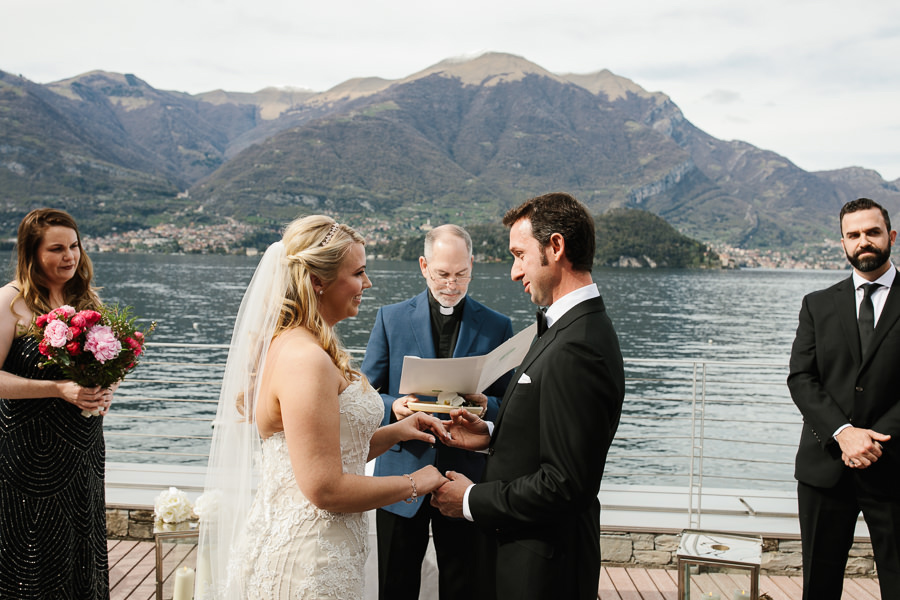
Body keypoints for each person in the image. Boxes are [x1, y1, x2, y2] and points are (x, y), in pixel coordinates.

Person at [196, 215, 450, 600]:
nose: (368, 283)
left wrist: (398, 430)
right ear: (317, 280)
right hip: (308, 561)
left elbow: (327, 452)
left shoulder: (293, 345)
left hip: (319, 550)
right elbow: (325, 488)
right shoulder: (306, 360)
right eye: (359, 272)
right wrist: (417, 482)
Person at [431, 192, 625, 600]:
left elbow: (564, 484)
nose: (515, 272)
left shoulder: (578, 347)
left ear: (556, 247)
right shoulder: (562, 328)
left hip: (543, 571)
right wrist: (490, 434)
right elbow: (551, 438)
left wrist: (469, 499)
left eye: (520, 255)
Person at [360, 224, 514, 599]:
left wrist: (484, 404)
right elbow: (364, 393)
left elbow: (508, 404)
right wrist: (393, 406)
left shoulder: (497, 325)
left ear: (472, 265)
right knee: (395, 584)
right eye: (443, 274)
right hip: (402, 471)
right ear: (424, 265)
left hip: (464, 474)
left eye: (461, 274)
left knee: (465, 584)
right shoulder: (390, 318)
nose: (452, 284)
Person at [787, 197, 900, 599]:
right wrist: (843, 433)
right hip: (825, 468)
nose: (863, 241)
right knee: (819, 585)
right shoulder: (817, 305)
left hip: (894, 464)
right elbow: (801, 378)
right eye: (853, 235)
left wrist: (870, 439)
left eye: (871, 232)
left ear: (890, 236)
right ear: (843, 243)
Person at [0, 208, 113, 599]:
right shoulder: (9, 301)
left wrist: (104, 389)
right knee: (30, 554)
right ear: (31, 254)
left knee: (81, 547)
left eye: (74, 246)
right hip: (27, 452)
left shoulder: (86, 299)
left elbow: (95, 368)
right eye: (57, 249)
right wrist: (56, 389)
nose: (70, 256)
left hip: (82, 448)